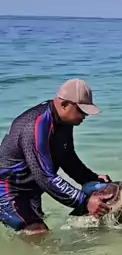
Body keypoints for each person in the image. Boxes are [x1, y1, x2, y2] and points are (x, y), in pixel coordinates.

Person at [0, 79, 112, 235]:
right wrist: (85, 201)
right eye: (81, 110)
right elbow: (45, 177)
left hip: (31, 189)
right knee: (38, 231)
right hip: (7, 189)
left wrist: (90, 178)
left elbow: (67, 157)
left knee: (38, 236)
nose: (85, 115)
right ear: (64, 104)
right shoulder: (35, 125)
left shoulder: (63, 121)